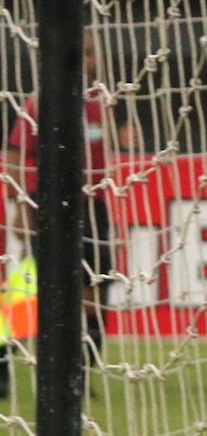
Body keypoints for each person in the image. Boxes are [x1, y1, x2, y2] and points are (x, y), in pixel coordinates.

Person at [0, 33, 125, 399]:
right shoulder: (39, 104)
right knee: (39, 287)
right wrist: (22, 206)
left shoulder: (101, 103)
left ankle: (78, 372)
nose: (85, 61)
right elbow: (15, 156)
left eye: (90, 54)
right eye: (80, 53)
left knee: (96, 284)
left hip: (91, 206)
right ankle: (4, 362)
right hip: (46, 203)